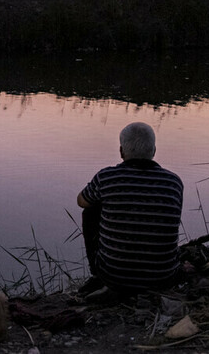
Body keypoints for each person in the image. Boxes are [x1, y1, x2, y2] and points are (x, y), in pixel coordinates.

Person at [77, 122, 183, 300]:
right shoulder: (174, 182)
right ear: (154, 151)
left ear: (121, 152)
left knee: (90, 210)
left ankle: (97, 274)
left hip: (113, 277)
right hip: (163, 277)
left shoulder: (107, 177)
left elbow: (81, 201)